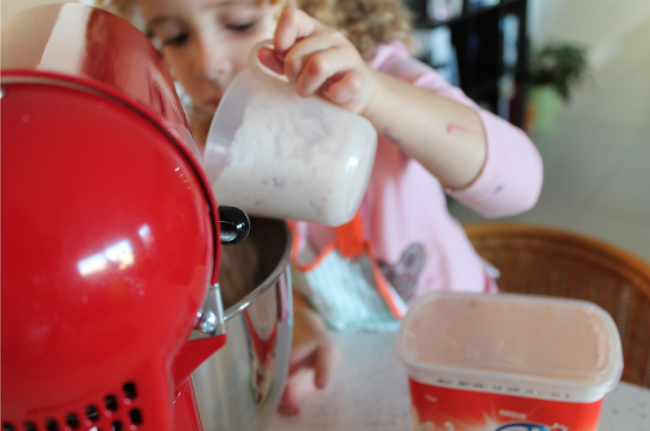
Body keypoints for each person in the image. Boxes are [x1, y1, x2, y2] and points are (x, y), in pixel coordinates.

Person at [97, 0, 543, 416]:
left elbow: (520, 186)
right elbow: (249, 261)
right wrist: (300, 321)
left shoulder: (385, 77)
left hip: (469, 347)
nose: (205, 63)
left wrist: (377, 97)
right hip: (359, 370)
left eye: (239, 23)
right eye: (174, 37)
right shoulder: (215, 139)